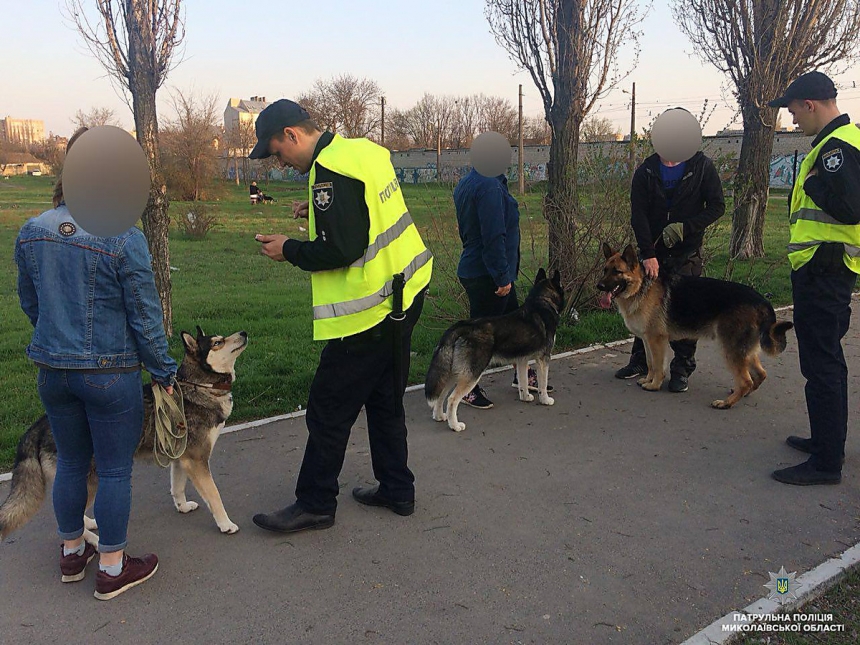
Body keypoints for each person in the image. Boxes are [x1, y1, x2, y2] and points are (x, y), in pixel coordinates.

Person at [250, 100, 433, 533]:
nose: (280, 162)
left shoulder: (330, 171)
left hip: (371, 312)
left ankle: (315, 502)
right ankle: (397, 488)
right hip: (407, 290)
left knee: (328, 408)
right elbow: (365, 212)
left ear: (293, 135)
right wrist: (315, 211)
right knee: (385, 399)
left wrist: (288, 250)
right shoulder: (362, 151)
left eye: (277, 152)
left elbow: (342, 249)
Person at [15, 128, 177, 599]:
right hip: (110, 373)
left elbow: (32, 303)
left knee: (69, 462)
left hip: (54, 373)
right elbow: (146, 317)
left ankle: (71, 554)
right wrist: (163, 371)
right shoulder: (124, 237)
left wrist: (57, 340)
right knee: (113, 470)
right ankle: (111, 566)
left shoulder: (33, 230)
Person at [767, 71, 860, 486]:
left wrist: (814, 183)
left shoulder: (835, 149)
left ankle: (826, 463)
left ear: (810, 104)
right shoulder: (837, 141)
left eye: (793, 111)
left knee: (821, 364)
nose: (792, 120)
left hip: (825, 267)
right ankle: (825, 441)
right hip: (825, 266)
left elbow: (850, 207)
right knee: (822, 360)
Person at [615, 117, 725, 393]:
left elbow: (717, 206)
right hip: (654, 252)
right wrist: (647, 253)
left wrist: (686, 227)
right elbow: (638, 215)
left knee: (685, 313)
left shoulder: (701, 167)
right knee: (644, 311)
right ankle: (641, 363)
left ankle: (681, 369)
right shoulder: (647, 171)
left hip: (686, 252)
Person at [453, 167, 551, 410]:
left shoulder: (467, 182)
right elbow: (493, 234)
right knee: (482, 337)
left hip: (479, 266)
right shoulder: (489, 186)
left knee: (519, 327)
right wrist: (501, 276)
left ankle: (522, 374)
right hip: (489, 273)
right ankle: (468, 388)